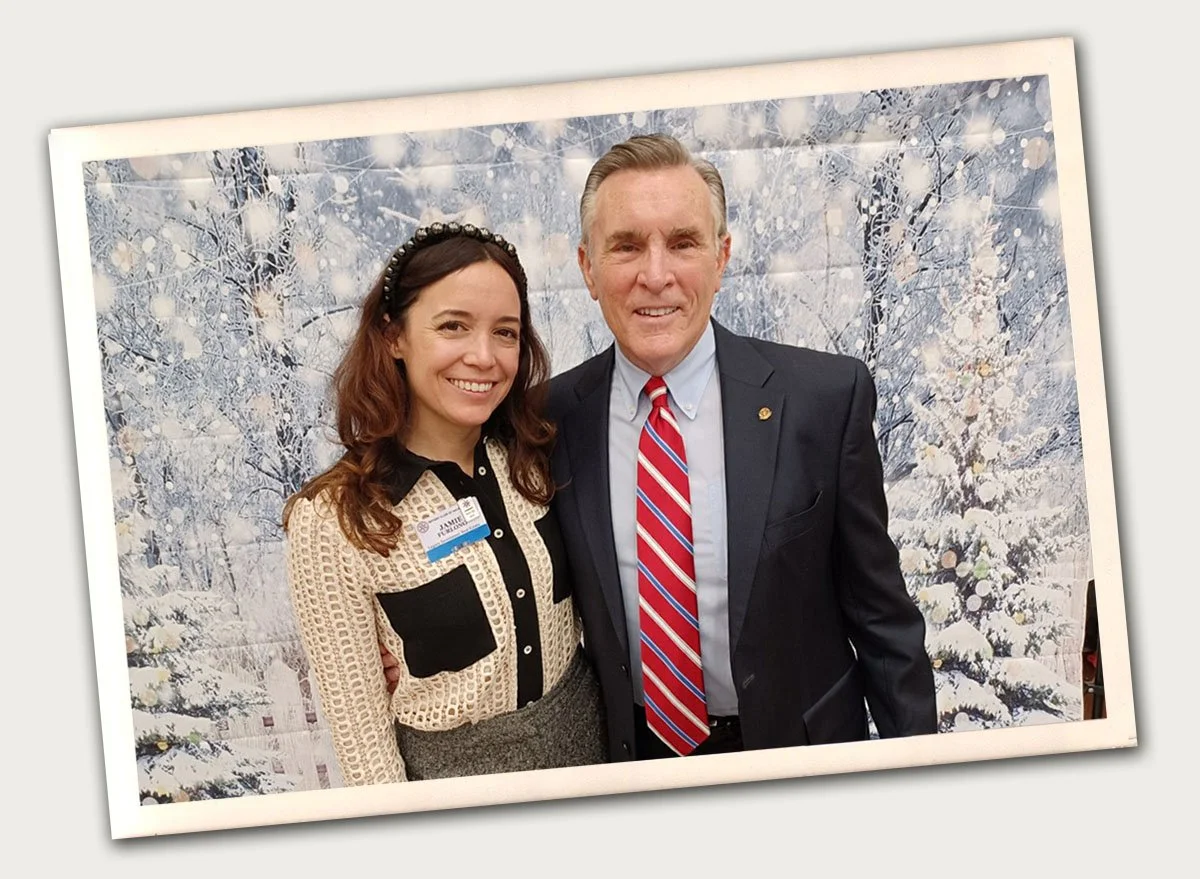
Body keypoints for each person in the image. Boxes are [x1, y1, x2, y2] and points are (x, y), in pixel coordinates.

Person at [545, 134, 937, 761]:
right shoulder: (548, 421)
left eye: (683, 243)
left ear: (722, 256)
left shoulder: (823, 400)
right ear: (588, 267)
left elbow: (884, 621)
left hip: (802, 756)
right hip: (632, 762)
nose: (655, 274)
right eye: (625, 246)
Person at [283, 222, 606, 785]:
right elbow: (364, 751)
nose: (483, 356)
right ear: (394, 337)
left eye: (505, 333)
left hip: (591, 757)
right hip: (456, 790)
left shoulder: (535, 455)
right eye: (453, 326)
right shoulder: (336, 519)